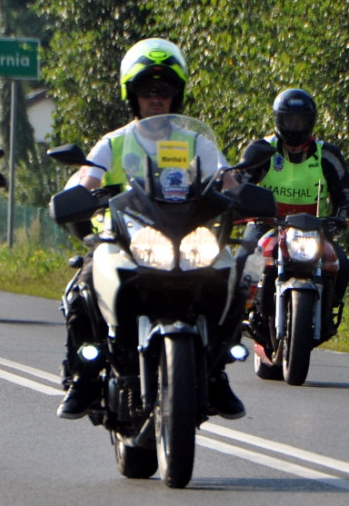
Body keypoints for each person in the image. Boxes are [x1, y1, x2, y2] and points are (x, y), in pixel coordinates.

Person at [56, 37, 245, 420]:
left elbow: (227, 180)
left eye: (164, 90)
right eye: (147, 91)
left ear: (177, 96)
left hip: (188, 236)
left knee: (232, 276)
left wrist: (242, 193)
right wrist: (77, 194)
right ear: (133, 96)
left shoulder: (196, 142)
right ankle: (85, 374)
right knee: (83, 284)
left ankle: (215, 371)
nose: (155, 99)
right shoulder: (114, 142)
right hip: (127, 238)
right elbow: (86, 179)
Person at [220, 88, 349, 343]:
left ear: (311, 121)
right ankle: (237, 318)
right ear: (278, 120)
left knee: (342, 263)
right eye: (289, 119)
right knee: (242, 260)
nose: (295, 126)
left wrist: (341, 217)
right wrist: (238, 208)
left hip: (314, 229)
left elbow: (346, 194)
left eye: (300, 120)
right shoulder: (263, 149)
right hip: (266, 224)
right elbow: (239, 185)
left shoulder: (327, 154)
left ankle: (326, 312)